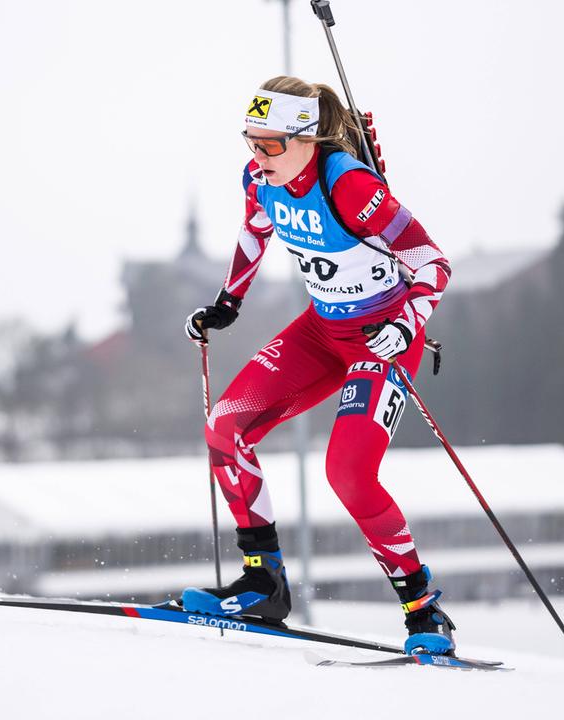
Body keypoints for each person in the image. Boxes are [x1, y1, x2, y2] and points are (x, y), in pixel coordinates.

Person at [179, 76, 455, 656]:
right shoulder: (261, 177)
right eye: (250, 141)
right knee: (226, 429)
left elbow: (432, 264)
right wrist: (228, 303)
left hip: (380, 338)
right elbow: (255, 233)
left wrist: (404, 325)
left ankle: (423, 610)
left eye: (271, 144)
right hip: (321, 331)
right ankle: (263, 584)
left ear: (308, 137)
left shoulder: (348, 184)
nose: (258, 156)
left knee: (349, 472)